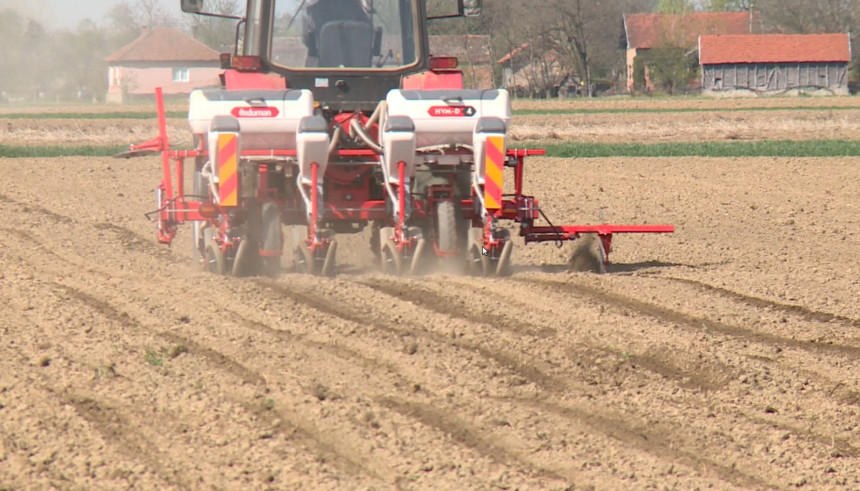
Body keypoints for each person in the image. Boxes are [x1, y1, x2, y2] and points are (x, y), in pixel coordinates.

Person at [302, 0, 371, 67]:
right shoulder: (360, 10)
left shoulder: (312, 12)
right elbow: (369, 37)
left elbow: (308, 42)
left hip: (324, 70)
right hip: (359, 71)